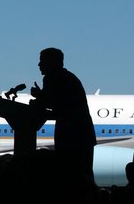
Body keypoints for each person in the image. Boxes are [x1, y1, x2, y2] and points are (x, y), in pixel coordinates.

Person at [30, 47, 97, 182]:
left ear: (51, 62)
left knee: (69, 176)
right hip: (83, 137)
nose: (39, 65)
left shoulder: (52, 78)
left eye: (42, 61)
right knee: (82, 177)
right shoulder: (69, 77)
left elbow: (58, 105)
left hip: (71, 136)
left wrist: (40, 98)